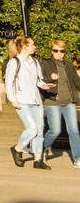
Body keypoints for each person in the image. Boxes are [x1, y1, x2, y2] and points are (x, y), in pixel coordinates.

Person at [5, 35, 48, 169]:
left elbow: (38, 80)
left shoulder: (34, 62)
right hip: (22, 101)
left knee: (40, 130)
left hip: (35, 99)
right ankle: (18, 148)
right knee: (32, 129)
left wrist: (44, 85)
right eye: (32, 44)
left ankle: (38, 160)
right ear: (25, 47)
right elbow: (9, 83)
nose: (34, 47)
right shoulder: (14, 62)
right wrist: (13, 100)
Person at [41, 39, 80, 167]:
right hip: (53, 101)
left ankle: (77, 158)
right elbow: (40, 79)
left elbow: (76, 82)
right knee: (55, 130)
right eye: (56, 51)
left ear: (64, 52)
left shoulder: (69, 65)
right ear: (52, 51)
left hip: (69, 102)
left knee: (74, 130)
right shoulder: (46, 63)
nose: (59, 53)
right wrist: (49, 77)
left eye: (61, 51)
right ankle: (42, 150)